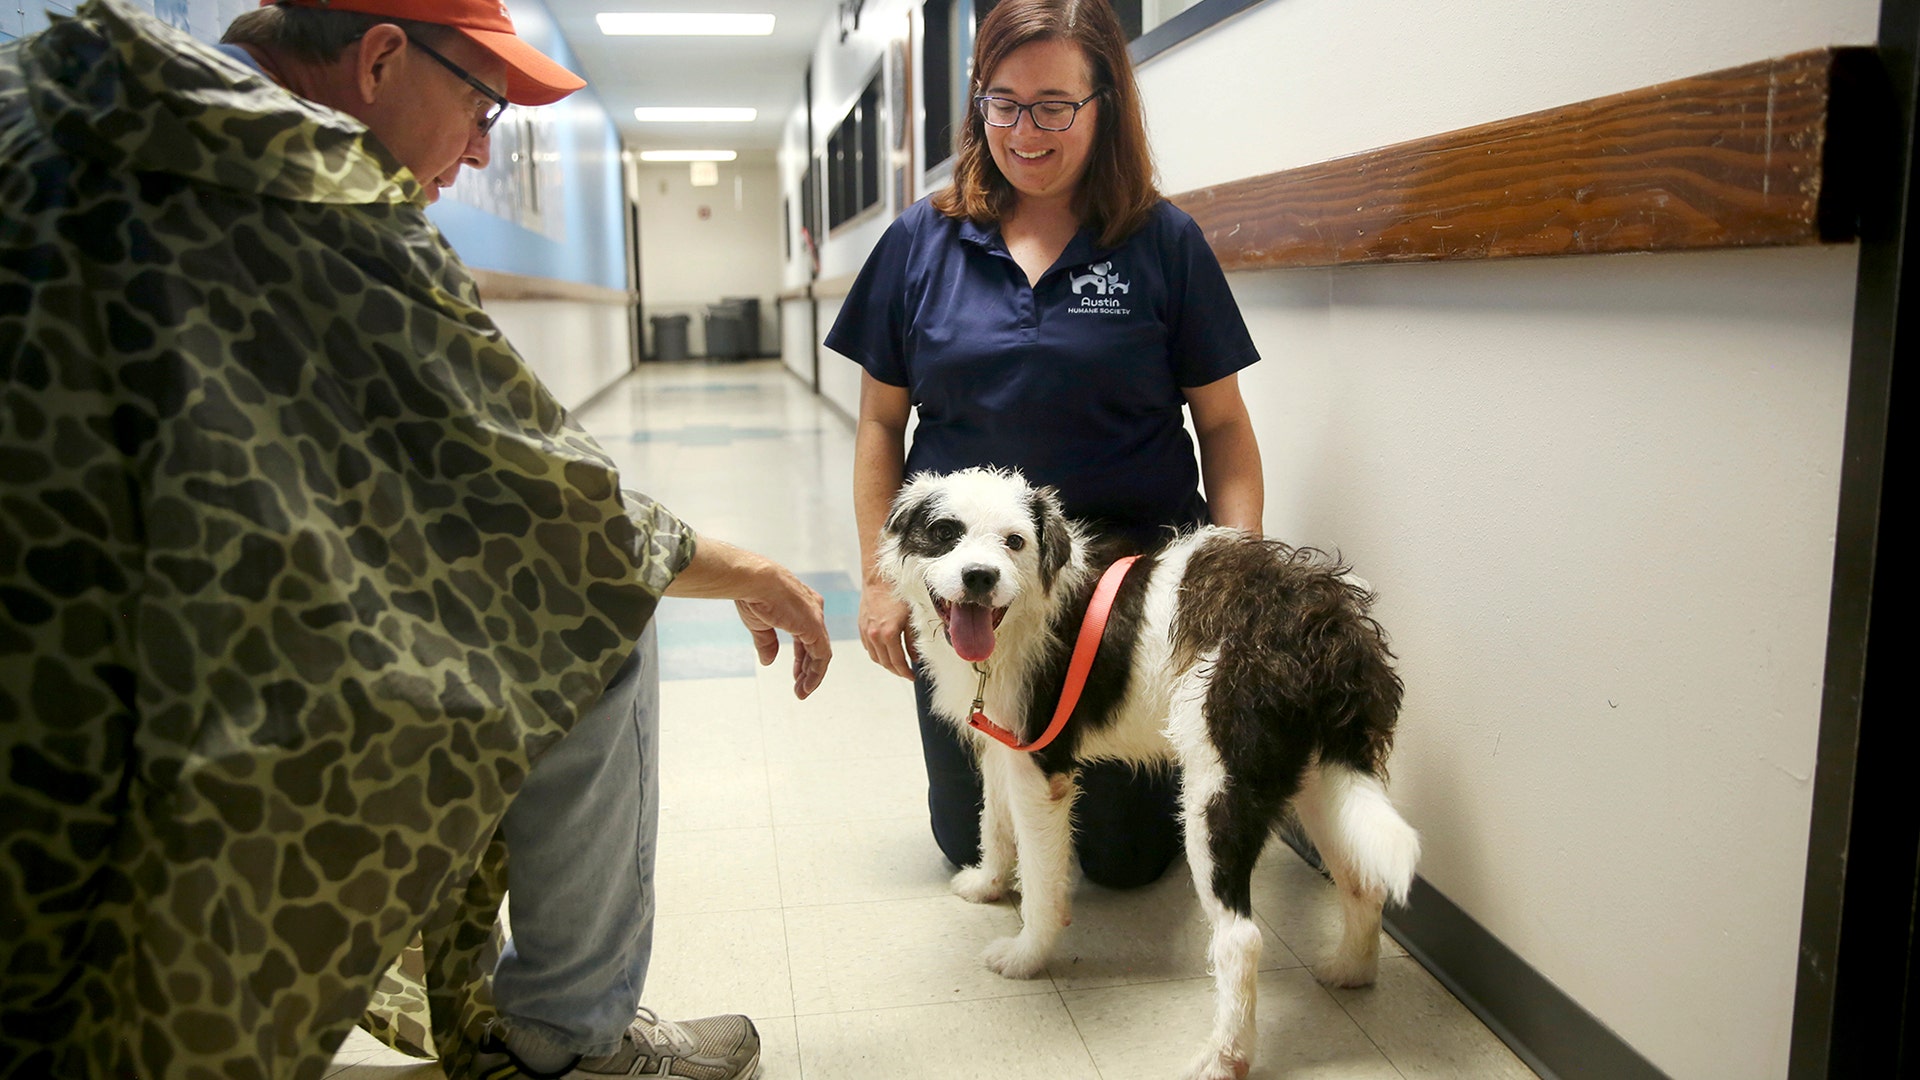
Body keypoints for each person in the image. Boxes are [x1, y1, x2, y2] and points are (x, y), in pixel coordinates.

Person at [0, 2, 823, 1078]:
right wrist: (752, 570)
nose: (482, 148)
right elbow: (558, 512)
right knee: (592, 627)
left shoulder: (49, 106)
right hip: (147, 712)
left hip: (61, 676)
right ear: (382, 57)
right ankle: (566, 1045)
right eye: (482, 107)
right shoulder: (309, 185)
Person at [827, 0, 1264, 889]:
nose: (1025, 131)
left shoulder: (1162, 241)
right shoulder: (922, 239)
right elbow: (881, 424)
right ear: (978, 100)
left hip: (1124, 596)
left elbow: (1223, 428)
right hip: (971, 586)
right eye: (1004, 101)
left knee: (1128, 859)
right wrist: (879, 578)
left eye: (1055, 105)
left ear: (1106, 103)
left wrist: (1236, 578)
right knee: (976, 844)